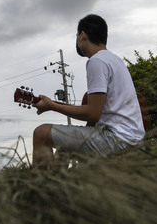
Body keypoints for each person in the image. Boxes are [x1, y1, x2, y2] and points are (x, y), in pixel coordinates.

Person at [32, 14, 145, 167]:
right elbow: (99, 114)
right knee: (63, 147)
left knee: (41, 133)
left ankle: (42, 189)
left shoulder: (96, 61)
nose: (77, 40)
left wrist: (53, 106)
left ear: (83, 35)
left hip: (117, 141)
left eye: (77, 35)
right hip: (134, 141)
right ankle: (63, 187)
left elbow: (93, 113)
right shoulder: (115, 60)